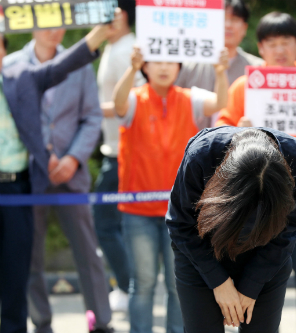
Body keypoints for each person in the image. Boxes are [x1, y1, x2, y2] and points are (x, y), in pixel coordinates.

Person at [216, 12, 296, 333]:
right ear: (260, 47)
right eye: (271, 43)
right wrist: (236, 128)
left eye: (286, 41)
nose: (280, 49)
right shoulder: (245, 85)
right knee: (252, 274)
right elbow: (219, 127)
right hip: (254, 199)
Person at [0, 21, 117, 333]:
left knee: (84, 249)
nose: (52, 30)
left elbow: (90, 113)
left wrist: (72, 157)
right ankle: (41, 322)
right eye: (46, 23)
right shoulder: (12, 64)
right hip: (29, 176)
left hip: (59, 174)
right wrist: (44, 153)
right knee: (27, 257)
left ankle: (100, 321)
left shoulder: (57, 68)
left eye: (57, 24)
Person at [113, 46, 229, 333]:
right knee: (142, 284)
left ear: (179, 67)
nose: (164, 67)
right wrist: (130, 69)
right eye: (156, 61)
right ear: (145, 67)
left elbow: (221, 103)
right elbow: (117, 104)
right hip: (137, 211)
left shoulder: (189, 98)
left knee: (180, 283)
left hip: (179, 212)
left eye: (170, 61)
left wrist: (220, 72)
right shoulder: (134, 98)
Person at [165, 127, 296, 333]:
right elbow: (181, 224)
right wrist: (218, 281)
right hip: (201, 252)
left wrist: (252, 285)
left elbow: (287, 231)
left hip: (265, 257)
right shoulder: (201, 155)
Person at [93, 0, 144, 312]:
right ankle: (131, 287)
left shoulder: (129, 49)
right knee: (118, 224)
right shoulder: (115, 46)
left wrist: (91, 112)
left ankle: (129, 288)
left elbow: (137, 101)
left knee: (106, 223)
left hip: (125, 153)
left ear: (120, 15)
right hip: (115, 150)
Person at [175, 0, 263, 128]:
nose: (227, 25)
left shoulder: (258, 70)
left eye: (234, 19)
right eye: (222, 18)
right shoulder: (187, 66)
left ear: (244, 28)